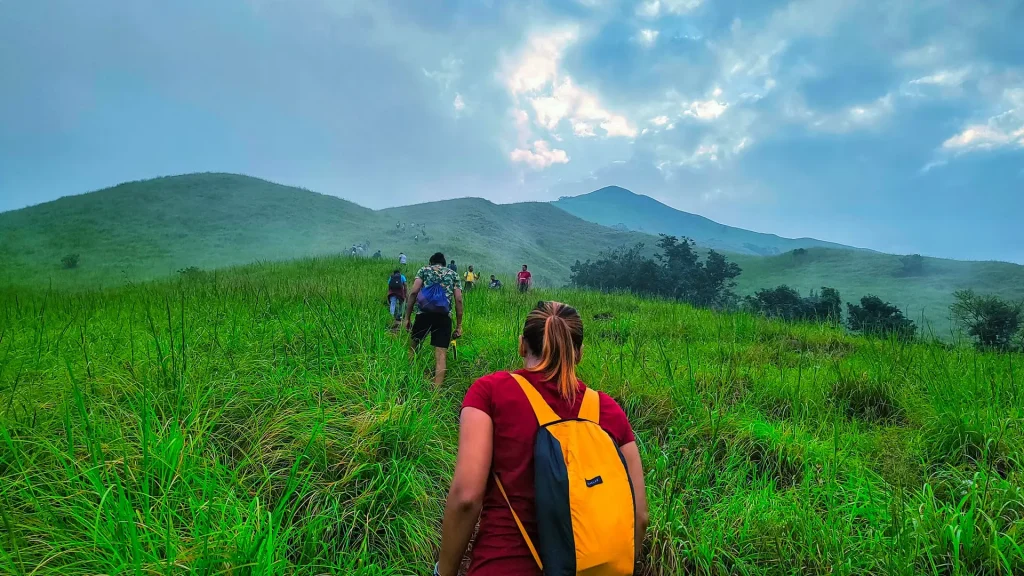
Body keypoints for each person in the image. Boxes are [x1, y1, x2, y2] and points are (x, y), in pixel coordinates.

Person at [434, 301, 648, 576]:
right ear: (580, 353)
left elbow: (466, 497)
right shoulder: (608, 411)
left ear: (522, 345)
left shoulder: (490, 392)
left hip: (502, 565)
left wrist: (445, 571)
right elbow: (639, 517)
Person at [405, 252, 464, 386]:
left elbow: (414, 292)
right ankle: (436, 393)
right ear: (444, 263)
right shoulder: (453, 274)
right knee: (441, 354)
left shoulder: (424, 270)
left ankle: (408, 379)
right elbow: (459, 300)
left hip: (423, 315)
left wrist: (407, 317)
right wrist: (459, 325)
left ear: (431, 262)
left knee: (413, 348)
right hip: (444, 317)